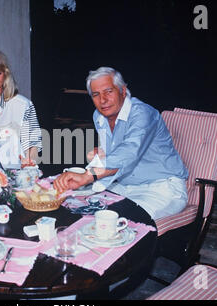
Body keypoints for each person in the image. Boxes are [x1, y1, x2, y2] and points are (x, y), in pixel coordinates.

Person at [54, 67, 188, 221]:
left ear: (123, 91)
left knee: (115, 222)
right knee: (73, 207)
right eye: (96, 95)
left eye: (108, 91)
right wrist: (100, 154)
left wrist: (87, 176)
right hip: (124, 187)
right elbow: (114, 152)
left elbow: (129, 151)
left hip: (162, 189)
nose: (102, 100)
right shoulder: (99, 116)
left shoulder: (143, 113)